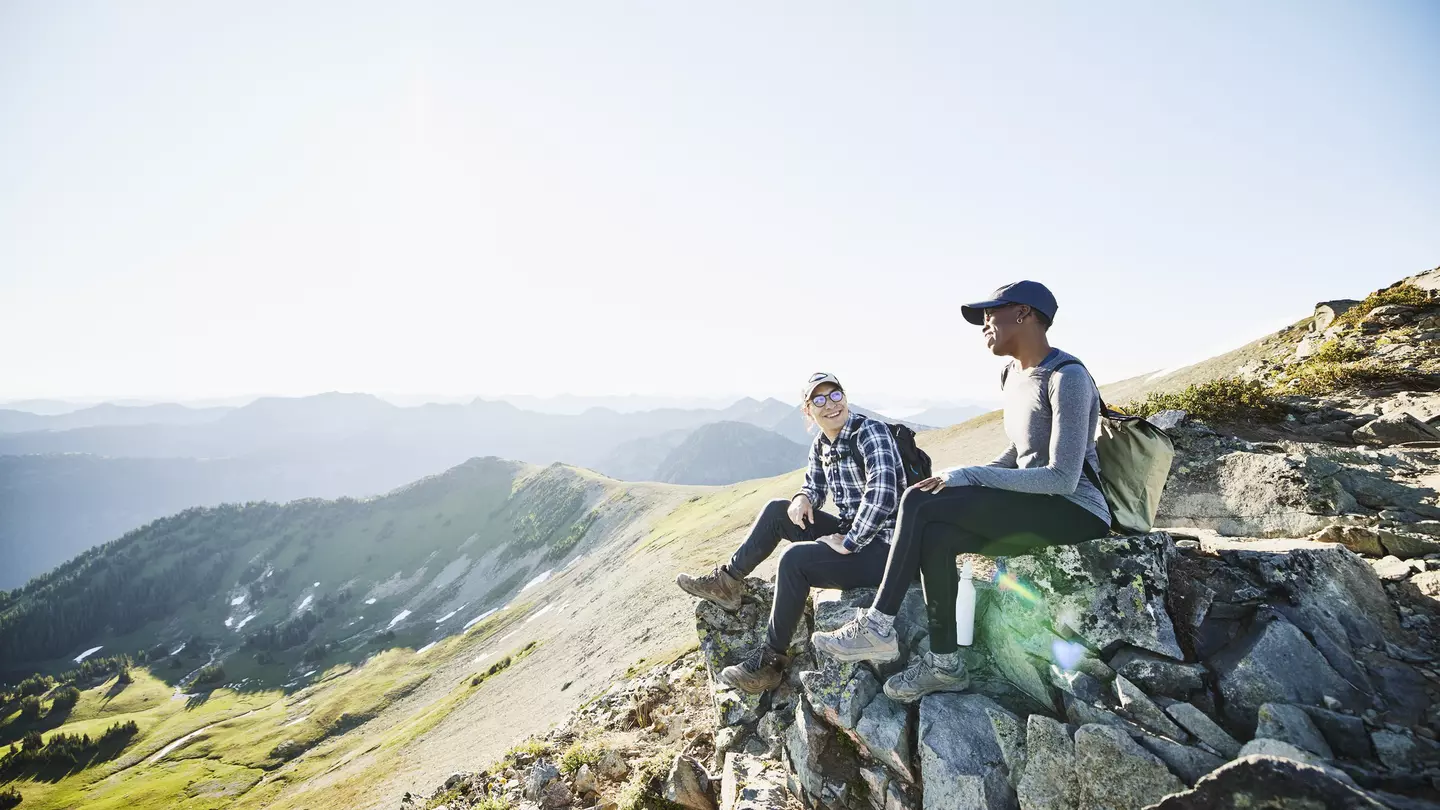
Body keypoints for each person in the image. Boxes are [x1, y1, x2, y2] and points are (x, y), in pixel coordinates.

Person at [811, 281, 1111, 702]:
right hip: (1031, 501)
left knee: (916, 500)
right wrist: (958, 474)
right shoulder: (1011, 374)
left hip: (1074, 508)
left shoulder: (1069, 376)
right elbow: (1019, 451)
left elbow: (1062, 476)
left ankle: (878, 624)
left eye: (992, 314)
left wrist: (971, 477)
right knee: (935, 531)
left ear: (1024, 314)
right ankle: (946, 665)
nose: (984, 324)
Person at [675, 372, 903, 693]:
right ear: (808, 411)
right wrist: (803, 498)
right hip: (853, 533)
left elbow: (884, 492)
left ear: (845, 397)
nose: (830, 405)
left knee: (794, 561)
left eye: (835, 395)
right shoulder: (823, 444)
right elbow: (814, 485)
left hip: (886, 551)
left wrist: (849, 542)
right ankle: (728, 583)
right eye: (819, 400)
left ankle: (771, 661)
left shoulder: (870, 433)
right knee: (776, 511)